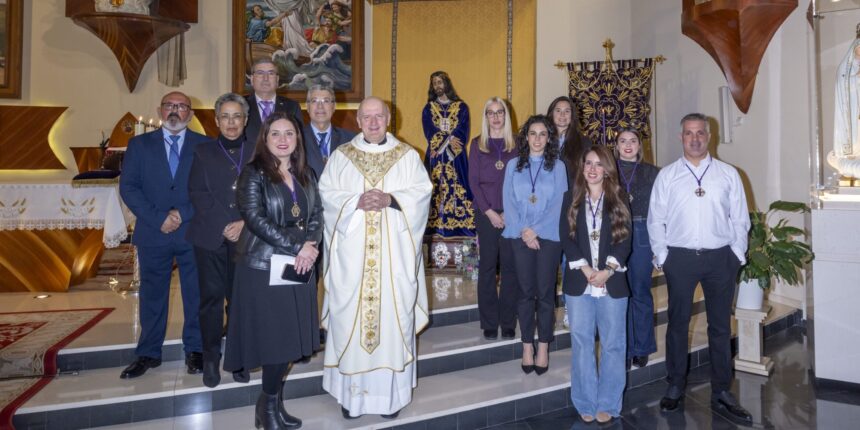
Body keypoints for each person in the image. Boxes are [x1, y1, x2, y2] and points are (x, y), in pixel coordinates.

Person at [320, 97, 432, 419]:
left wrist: (392, 199)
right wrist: (354, 202)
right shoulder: (341, 157)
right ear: (357, 120)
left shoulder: (408, 157)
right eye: (366, 117)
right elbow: (326, 195)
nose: (372, 123)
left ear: (388, 119)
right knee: (350, 323)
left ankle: (389, 399)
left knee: (391, 322)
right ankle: (350, 398)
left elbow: (422, 194)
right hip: (352, 264)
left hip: (393, 263)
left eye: (378, 117)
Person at [648, 113, 752, 423]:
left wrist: (736, 254)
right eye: (689, 133)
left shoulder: (728, 174)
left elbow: (740, 218)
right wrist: (663, 256)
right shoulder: (667, 176)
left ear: (710, 137)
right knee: (678, 324)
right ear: (681, 137)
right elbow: (656, 219)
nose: (694, 138)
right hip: (679, 258)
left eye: (700, 133)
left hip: (720, 258)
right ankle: (675, 386)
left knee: (720, 327)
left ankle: (722, 390)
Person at [224, 112, 322, 430]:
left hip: (298, 266)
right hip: (264, 267)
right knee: (275, 340)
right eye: (275, 133)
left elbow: (317, 213)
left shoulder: (306, 174)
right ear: (265, 139)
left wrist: (311, 245)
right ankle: (266, 409)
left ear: (297, 140)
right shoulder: (254, 173)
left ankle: (274, 405)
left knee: (290, 338)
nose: (282, 139)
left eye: (289, 134)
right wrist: (298, 247)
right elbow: (254, 218)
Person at [119, 91, 207, 379]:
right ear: (160, 109)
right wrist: (159, 219)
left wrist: (181, 214)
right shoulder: (139, 145)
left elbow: (209, 189)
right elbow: (129, 187)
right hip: (153, 233)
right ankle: (148, 352)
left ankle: (195, 349)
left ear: (190, 114)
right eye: (169, 105)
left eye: (181, 107)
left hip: (192, 231)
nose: (174, 111)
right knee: (152, 294)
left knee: (195, 294)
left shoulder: (205, 145)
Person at [185, 93, 254, 388]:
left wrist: (244, 222)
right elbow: (198, 193)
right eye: (225, 116)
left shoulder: (258, 151)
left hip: (247, 238)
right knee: (211, 300)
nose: (231, 122)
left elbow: (263, 194)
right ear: (216, 120)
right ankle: (211, 358)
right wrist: (225, 223)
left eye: (236, 116)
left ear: (246, 120)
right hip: (210, 237)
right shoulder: (202, 152)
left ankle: (238, 358)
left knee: (240, 301)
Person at [560, 145, 632, 424]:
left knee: (614, 344)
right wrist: (587, 268)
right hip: (581, 281)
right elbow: (566, 237)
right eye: (587, 163)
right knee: (582, 343)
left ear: (607, 169)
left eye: (598, 164)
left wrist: (608, 270)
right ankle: (585, 401)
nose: (591, 169)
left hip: (611, 281)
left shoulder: (619, 197)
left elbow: (625, 238)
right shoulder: (571, 197)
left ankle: (609, 403)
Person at [502, 115, 567, 376]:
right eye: (533, 133)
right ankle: (527, 344)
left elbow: (559, 204)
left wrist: (536, 230)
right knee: (525, 292)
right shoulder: (513, 165)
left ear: (549, 138)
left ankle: (544, 346)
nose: (537, 139)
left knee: (545, 293)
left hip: (548, 237)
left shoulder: (558, 167)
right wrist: (524, 231)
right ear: (525, 137)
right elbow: (508, 200)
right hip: (519, 236)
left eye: (542, 134)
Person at [467, 97, 519, 341]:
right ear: (485, 117)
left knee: (510, 268)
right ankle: (489, 322)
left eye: (500, 112)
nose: (496, 117)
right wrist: (489, 212)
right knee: (487, 267)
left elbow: (521, 181)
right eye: (491, 113)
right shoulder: (477, 144)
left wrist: (509, 212)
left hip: (511, 214)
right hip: (485, 213)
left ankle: (508, 322)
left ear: (506, 116)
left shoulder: (517, 144)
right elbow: (473, 182)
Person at [614, 128, 659, 369]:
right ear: (617, 145)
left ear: (640, 146)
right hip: (616, 232)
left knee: (640, 290)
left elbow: (661, 210)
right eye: (623, 141)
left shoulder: (653, 173)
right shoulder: (608, 171)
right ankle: (622, 348)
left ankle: (641, 348)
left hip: (642, 232)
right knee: (620, 293)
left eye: (633, 141)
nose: (628, 145)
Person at [422, 71, 476, 238]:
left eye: (440, 82)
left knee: (460, 186)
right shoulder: (429, 108)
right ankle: (434, 228)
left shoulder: (461, 107)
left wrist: (453, 140)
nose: (437, 86)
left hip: (456, 156)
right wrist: (447, 138)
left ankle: (463, 228)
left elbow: (463, 130)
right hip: (436, 155)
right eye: (434, 83)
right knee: (434, 188)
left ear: (447, 84)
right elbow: (429, 130)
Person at [245, 58, 304, 145]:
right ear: (252, 79)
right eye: (260, 73)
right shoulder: (240, 105)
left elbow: (299, 141)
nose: (266, 78)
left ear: (277, 80)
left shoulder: (292, 107)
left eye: (271, 73)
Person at [303, 84, 356, 177]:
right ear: (307, 106)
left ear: (333, 106)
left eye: (326, 101)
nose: (320, 106)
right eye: (314, 101)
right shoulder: (297, 138)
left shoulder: (351, 140)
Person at [546, 95, 592, 179]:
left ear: (572, 115)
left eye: (567, 111)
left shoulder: (584, 142)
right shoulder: (542, 140)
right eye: (558, 110)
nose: (562, 114)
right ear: (551, 114)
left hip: (572, 190)